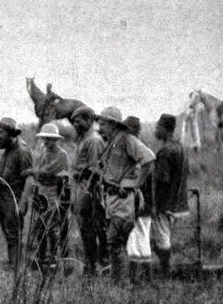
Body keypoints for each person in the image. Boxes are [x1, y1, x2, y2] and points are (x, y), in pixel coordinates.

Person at [96, 107, 155, 283]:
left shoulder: (127, 140)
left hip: (123, 199)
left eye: (103, 123)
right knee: (114, 242)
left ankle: (121, 283)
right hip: (112, 198)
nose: (100, 127)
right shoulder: (111, 142)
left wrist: (135, 185)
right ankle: (119, 282)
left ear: (113, 124)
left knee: (115, 241)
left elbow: (149, 159)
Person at [23, 123, 69, 269]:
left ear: (56, 140)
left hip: (53, 192)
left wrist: (32, 172)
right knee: (39, 227)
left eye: (49, 139)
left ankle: (53, 258)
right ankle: (40, 257)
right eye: (45, 139)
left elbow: (48, 171)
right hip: (41, 190)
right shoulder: (44, 152)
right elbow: (40, 169)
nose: (46, 142)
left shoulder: (62, 155)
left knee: (51, 227)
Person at [149, 114, 189, 278]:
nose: (156, 130)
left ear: (164, 128)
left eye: (158, 127)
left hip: (165, 202)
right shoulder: (180, 147)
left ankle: (166, 272)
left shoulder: (166, 151)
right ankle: (165, 268)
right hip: (179, 202)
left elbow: (162, 181)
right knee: (164, 236)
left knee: (162, 237)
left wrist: (154, 204)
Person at [70, 106, 107, 276]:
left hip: (89, 189)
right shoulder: (83, 139)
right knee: (85, 229)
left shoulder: (93, 140)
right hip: (80, 187)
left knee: (91, 228)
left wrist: (86, 194)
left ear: (88, 120)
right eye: (74, 122)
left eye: (78, 121)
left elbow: (95, 170)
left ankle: (93, 266)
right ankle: (90, 264)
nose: (75, 125)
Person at [0, 117, 32, 269]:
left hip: (14, 197)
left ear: (11, 133)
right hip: (3, 197)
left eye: (1, 132)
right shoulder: (7, 150)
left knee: (14, 234)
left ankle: (17, 267)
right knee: (8, 232)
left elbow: (29, 179)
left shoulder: (22, 151)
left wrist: (22, 204)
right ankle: (13, 264)